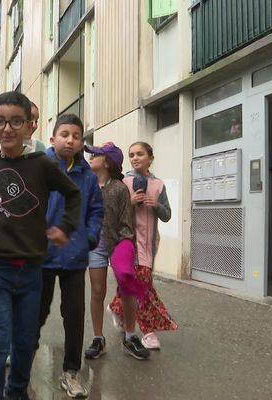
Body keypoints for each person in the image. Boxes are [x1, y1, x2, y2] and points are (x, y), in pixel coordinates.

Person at [0, 91, 81, 400]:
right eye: (1, 121)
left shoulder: (42, 165)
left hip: (31, 270)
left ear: (29, 125)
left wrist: (65, 226)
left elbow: (73, 194)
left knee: (26, 341)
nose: (8, 128)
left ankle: (16, 392)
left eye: (16, 121)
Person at [36, 114, 103, 398]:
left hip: (75, 257)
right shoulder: (39, 168)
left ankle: (71, 372)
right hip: (41, 256)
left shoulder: (87, 175)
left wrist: (88, 238)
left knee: (74, 316)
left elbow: (96, 212)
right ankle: (21, 364)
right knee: (35, 314)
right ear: (52, 139)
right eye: (65, 134)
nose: (71, 140)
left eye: (76, 136)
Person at [83, 142, 151, 361]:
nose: (91, 157)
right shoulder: (87, 185)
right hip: (96, 247)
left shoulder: (120, 188)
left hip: (119, 244)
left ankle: (130, 336)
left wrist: (125, 246)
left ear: (107, 162)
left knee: (127, 287)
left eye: (96, 155)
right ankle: (98, 338)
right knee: (97, 290)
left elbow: (126, 222)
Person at [108, 142, 178, 350]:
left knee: (133, 284)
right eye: (132, 155)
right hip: (126, 243)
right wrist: (129, 202)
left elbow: (167, 215)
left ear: (151, 157)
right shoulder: (122, 182)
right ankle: (148, 332)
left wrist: (155, 205)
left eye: (140, 154)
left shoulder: (158, 185)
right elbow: (111, 213)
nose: (135, 158)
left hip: (149, 245)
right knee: (142, 287)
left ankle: (117, 307)